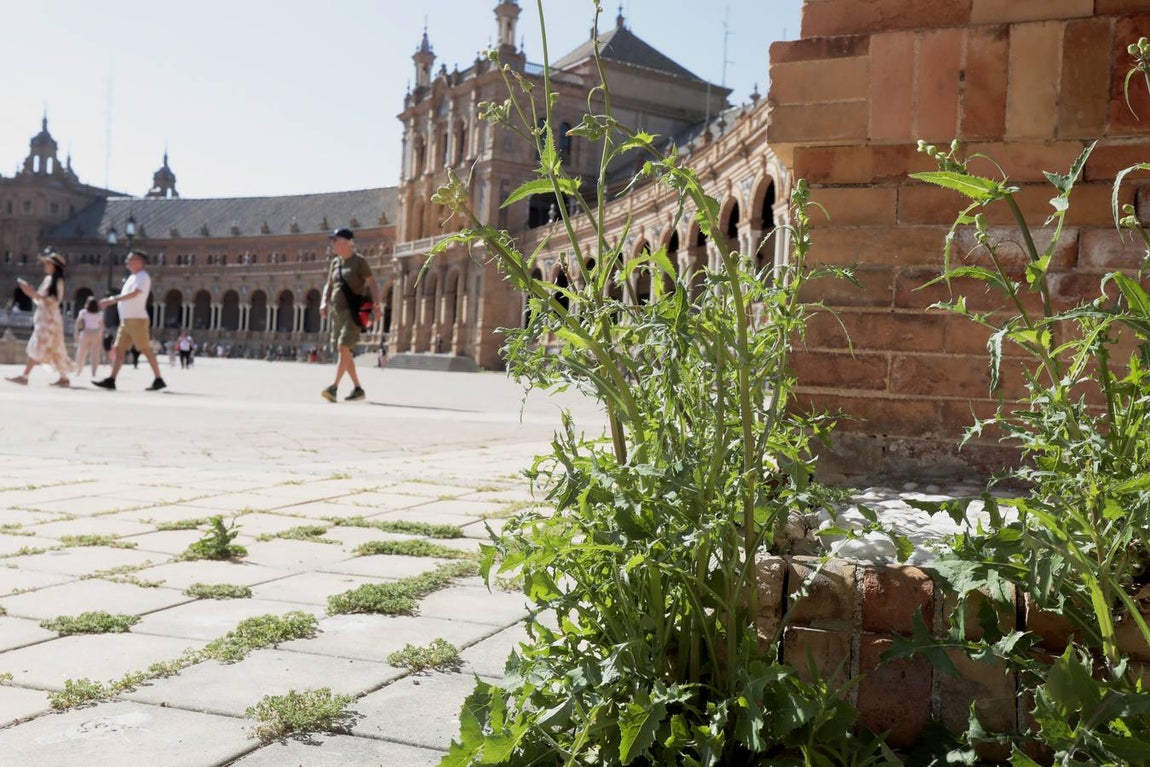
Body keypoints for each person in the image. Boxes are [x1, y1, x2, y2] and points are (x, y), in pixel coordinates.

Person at [319, 227, 380, 402]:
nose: (332, 244)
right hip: (337, 314)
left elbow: (372, 283)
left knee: (343, 347)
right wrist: (324, 301)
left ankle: (334, 388)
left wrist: (376, 305)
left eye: (334, 241)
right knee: (345, 352)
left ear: (344, 242)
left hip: (353, 313)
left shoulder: (359, 262)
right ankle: (358, 389)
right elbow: (329, 284)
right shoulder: (335, 263)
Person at [92, 250, 167, 391]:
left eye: (130, 259)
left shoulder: (143, 276)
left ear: (139, 262)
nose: (127, 261)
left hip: (137, 320)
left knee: (145, 349)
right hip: (126, 320)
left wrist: (112, 300)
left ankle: (159, 379)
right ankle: (111, 379)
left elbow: (135, 294)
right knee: (119, 349)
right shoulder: (132, 277)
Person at [5, 251, 77, 387]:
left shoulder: (58, 281)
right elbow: (40, 298)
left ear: (54, 266)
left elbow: (54, 300)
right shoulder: (48, 279)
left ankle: (25, 376)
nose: (45, 265)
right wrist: (31, 293)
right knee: (55, 347)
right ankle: (63, 377)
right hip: (45, 317)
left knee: (39, 344)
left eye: (47, 263)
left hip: (50, 320)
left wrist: (33, 293)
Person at [73, 296, 105, 377]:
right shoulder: (100, 314)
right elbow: (101, 326)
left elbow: (77, 323)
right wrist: (100, 336)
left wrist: (76, 334)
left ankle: (78, 371)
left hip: (85, 333)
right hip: (96, 333)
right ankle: (93, 373)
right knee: (95, 354)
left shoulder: (83, 312)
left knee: (81, 353)